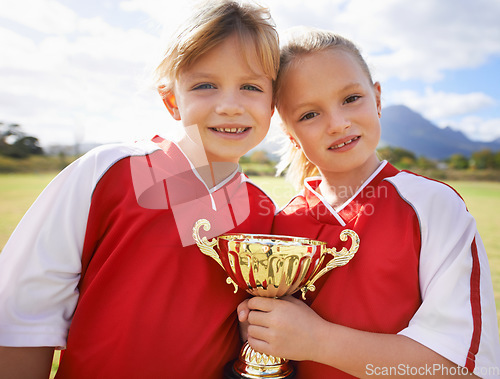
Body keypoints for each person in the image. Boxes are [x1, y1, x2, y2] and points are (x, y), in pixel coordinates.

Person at [0, 1, 279, 377]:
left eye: (251, 86)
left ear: (273, 103)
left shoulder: (264, 212)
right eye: (205, 85)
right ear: (171, 101)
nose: (230, 105)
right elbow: (24, 316)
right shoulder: (109, 173)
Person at [237, 28, 500, 378]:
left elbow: (461, 367)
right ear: (291, 135)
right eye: (309, 115)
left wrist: (318, 341)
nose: (338, 123)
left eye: (350, 98)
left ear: (377, 98)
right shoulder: (279, 228)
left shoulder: (432, 205)